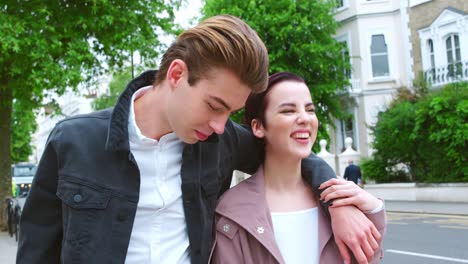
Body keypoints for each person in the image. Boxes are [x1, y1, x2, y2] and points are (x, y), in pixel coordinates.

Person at [17, 15, 380, 264]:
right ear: (177, 74)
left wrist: (337, 200)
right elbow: (37, 252)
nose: (222, 126)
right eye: (214, 105)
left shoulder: (218, 140)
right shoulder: (74, 141)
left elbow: (287, 152)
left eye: (230, 113)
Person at [211, 72, 386, 264]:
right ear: (258, 127)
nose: (305, 118)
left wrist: (374, 210)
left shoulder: (339, 201)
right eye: (288, 111)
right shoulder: (231, 210)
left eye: (310, 110)